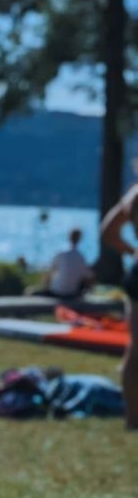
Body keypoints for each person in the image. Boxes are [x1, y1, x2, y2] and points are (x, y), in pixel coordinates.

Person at [100, 184, 138, 429]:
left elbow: (108, 232)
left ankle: (133, 420)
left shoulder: (134, 194)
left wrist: (133, 250)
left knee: (135, 349)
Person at [33, 228, 94, 298]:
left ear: (69, 237)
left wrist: (45, 287)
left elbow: (49, 273)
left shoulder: (61, 253)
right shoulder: (81, 258)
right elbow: (90, 277)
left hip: (56, 292)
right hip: (72, 294)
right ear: (79, 239)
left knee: (30, 292)